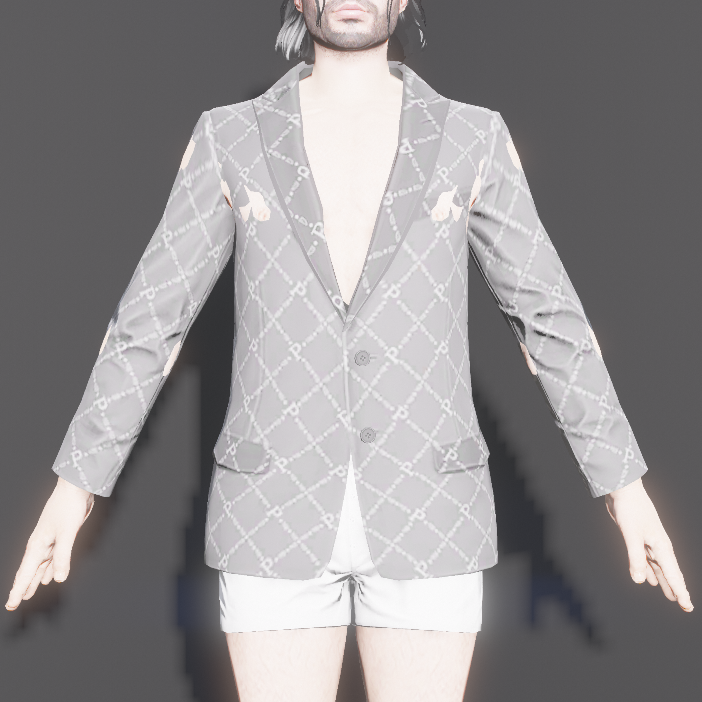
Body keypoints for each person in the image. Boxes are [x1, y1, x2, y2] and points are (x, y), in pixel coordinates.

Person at [6, 1, 693, 700]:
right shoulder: (231, 137)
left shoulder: (471, 138)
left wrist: (624, 488)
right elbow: (150, 321)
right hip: (270, 511)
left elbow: (549, 317)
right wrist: (75, 486)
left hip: (432, 511)